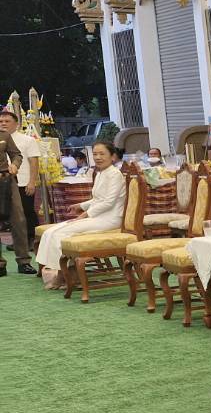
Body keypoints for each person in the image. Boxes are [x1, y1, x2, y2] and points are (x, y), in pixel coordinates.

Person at [36, 141, 126, 289]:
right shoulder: (101, 173)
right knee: (51, 231)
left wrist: (84, 215)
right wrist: (80, 206)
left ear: (113, 156)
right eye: (95, 154)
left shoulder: (115, 175)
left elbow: (108, 203)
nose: (98, 157)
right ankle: (65, 271)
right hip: (98, 217)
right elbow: (97, 199)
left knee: (62, 232)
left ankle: (64, 275)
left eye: (102, 154)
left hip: (110, 219)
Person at [0, 109, 40, 248]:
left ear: (16, 124)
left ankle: (32, 239)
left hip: (23, 182)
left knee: (27, 212)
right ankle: (18, 241)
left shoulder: (27, 140)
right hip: (3, 183)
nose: (3, 123)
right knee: (11, 215)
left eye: (7, 121)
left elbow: (34, 162)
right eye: (1, 121)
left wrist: (32, 182)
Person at [0, 129, 34, 276]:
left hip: (7, 180)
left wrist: (15, 164)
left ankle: (24, 261)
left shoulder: (4, 135)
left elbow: (17, 155)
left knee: (18, 219)